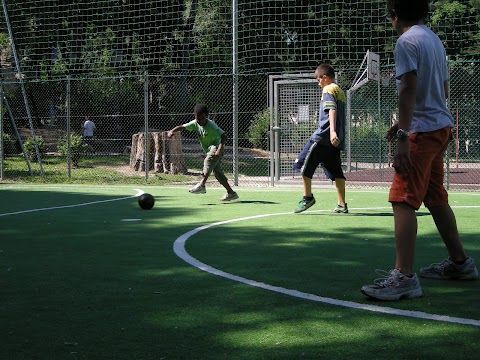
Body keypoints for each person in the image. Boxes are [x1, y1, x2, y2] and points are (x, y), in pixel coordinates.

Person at [361, 0, 478, 301]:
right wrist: (407, 123)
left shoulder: (406, 40)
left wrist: (403, 133)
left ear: (394, 16)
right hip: (440, 125)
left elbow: (408, 88)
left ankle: (404, 278)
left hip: (423, 131)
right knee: (435, 196)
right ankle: (460, 263)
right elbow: (443, 88)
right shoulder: (433, 39)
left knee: (402, 199)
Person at [292, 63, 348, 214]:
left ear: (324, 77)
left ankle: (307, 197)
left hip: (323, 137)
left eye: (318, 80)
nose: (318, 83)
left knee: (301, 164)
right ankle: (342, 204)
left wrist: (332, 132)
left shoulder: (328, 88)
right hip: (334, 142)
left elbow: (332, 109)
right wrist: (336, 135)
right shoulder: (340, 91)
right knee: (336, 172)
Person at [167, 103, 239, 202]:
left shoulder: (211, 125)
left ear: (206, 116)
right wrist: (172, 131)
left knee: (208, 161)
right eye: (198, 119)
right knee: (217, 173)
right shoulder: (195, 123)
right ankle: (231, 193)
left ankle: (202, 185)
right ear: (195, 117)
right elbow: (182, 127)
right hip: (209, 149)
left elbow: (224, 136)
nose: (200, 121)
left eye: (202, 118)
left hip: (216, 147)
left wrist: (219, 150)